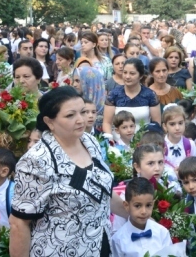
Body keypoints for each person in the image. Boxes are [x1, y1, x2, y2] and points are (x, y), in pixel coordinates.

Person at [9, 87, 128, 256]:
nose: (81, 120)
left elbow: (102, 191)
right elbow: (19, 223)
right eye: (70, 115)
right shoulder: (36, 161)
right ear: (50, 122)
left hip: (99, 245)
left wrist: (134, 214)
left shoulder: (89, 141)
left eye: (83, 112)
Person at [111, 177, 171, 256]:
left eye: (148, 205)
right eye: (137, 206)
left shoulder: (162, 232)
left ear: (153, 204)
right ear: (126, 206)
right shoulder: (118, 239)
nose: (144, 211)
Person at [103, 58, 161, 137]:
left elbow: (156, 123)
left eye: (132, 73)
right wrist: (110, 140)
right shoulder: (114, 94)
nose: (127, 76)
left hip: (144, 141)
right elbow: (107, 122)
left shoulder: (150, 95)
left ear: (140, 76)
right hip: (119, 142)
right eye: (125, 72)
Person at [163, 105, 196, 170]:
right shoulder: (160, 145)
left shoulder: (190, 144)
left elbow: (194, 167)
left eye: (180, 123)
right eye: (172, 124)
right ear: (165, 126)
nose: (177, 128)